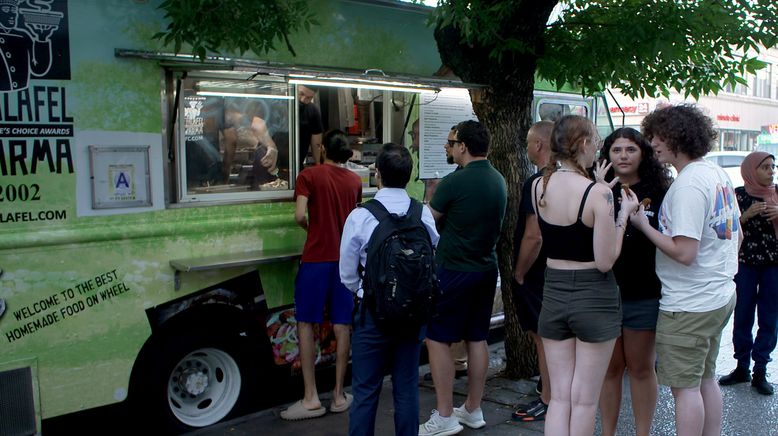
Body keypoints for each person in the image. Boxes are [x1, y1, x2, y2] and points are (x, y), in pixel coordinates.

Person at [630, 104, 740, 436]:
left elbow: (684, 252)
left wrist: (641, 224)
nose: (653, 144)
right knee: (705, 378)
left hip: (689, 304)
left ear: (678, 136)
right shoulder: (717, 174)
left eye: (658, 136)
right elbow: (738, 234)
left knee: (684, 389)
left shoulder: (689, 186)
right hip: (718, 295)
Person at [531, 115, 638, 436]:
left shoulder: (539, 185)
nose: (597, 150)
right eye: (595, 141)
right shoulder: (598, 194)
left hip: (553, 294)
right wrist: (622, 216)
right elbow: (606, 261)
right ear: (583, 144)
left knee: (560, 397)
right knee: (584, 401)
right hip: (593, 295)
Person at [339, 142, 439, 436]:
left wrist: (365, 290)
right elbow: (433, 249)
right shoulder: (422, 213)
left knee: (366, 391)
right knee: (406, 388)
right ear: (409, 176)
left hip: (373, 314)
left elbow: (346, 273)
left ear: (378, 173)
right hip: (412, 314)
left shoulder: (361, 216)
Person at [419, 120, 507, 436]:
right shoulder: (498, 179)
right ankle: (473, 408)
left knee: (437, 338)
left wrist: (431, 194)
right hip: (486, 268)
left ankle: (444, 415)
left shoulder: (454, 183)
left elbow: (429, 224)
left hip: (454, 269)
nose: (447, 146)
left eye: (451, 141)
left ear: (464, 146)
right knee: (477, 337)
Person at [594, 128, 671, 436]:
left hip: (645, 292)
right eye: (616, 150)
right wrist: (600, 193)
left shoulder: (661, 190)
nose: (623, 156)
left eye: (630, 149)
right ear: (607, 155)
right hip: (604, 291)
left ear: (643, 154)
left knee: (640, 368)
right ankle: (608, 432)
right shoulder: (599, 190)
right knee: (610, 370)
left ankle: (643, 433)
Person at [280, 130, 361, 421]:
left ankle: (311, 398)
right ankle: (339, 395)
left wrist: (312, 230)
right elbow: (354, 218)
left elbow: (300, 216)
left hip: (315, 260)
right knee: (342, 326)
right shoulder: (355, 180)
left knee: (306, 324)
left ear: (324, 149)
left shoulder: (309, 176)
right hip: (344, 263)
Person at [719, 151, 778, 396]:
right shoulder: (738, 195)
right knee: (742, 314)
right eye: (765, 167)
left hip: (773, 265)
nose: (771, 172)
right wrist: (746, 216)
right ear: (752, 170)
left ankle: (760, 371)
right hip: (744, 264)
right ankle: (742, 366)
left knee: (769, 317)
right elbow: (724, 230)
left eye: (772, 167)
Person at [511, 120, 554, 422]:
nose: (527, 147)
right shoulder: (575, 178)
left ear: (539, 145)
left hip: (538, 274)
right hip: (561, 272)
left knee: (543, 339)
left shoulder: (538, 183)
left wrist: (519, 272)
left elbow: (533, 235)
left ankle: (547, 398)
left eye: (528, 142)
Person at [221, 103, 279, 188]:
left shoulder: (248, 120)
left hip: (262, 159)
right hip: (257, 161)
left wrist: (271, 147)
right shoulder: (236, 124)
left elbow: (257, 125)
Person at [297, 85, 324, 169]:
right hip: (269, 161)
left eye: (309, 98)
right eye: (301, 94)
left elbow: (316, 142)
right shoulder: (280, 103)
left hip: (297, 164)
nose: (303, 100)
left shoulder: (313, 110)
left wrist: (318, 164)